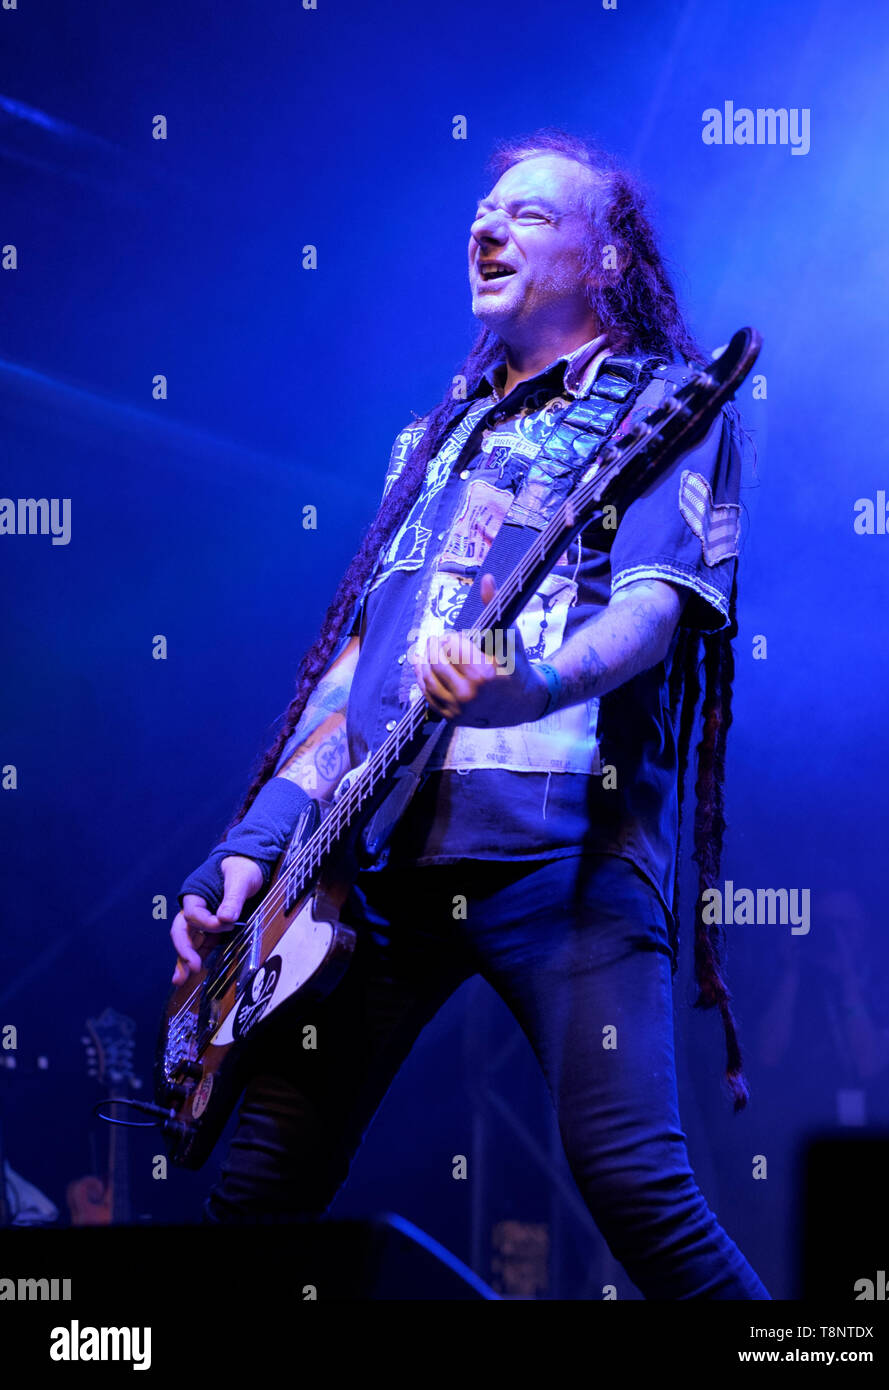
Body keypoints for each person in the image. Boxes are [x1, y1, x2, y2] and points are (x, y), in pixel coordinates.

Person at [170, 128, 770, 1299]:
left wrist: (528, 685)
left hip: (565, 859)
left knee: (636, 1191)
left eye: (529, 216)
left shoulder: (668, 409)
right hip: (374, 871)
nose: (486, 229)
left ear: (605, 259)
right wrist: (249, 852)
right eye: (480, 214)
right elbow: (351, 679)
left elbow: (651, 614)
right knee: (252, 1196)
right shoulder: (433, 440)